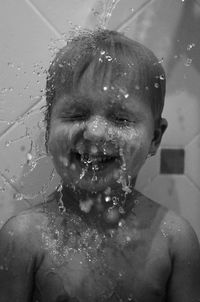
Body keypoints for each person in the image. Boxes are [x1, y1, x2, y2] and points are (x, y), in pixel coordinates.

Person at [0, 29, 200, 302]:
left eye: (120, 119)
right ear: (47, 131)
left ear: (154, 137)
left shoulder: (176, 241)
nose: (94, 132)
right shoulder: (23, 238)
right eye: (76, 114)